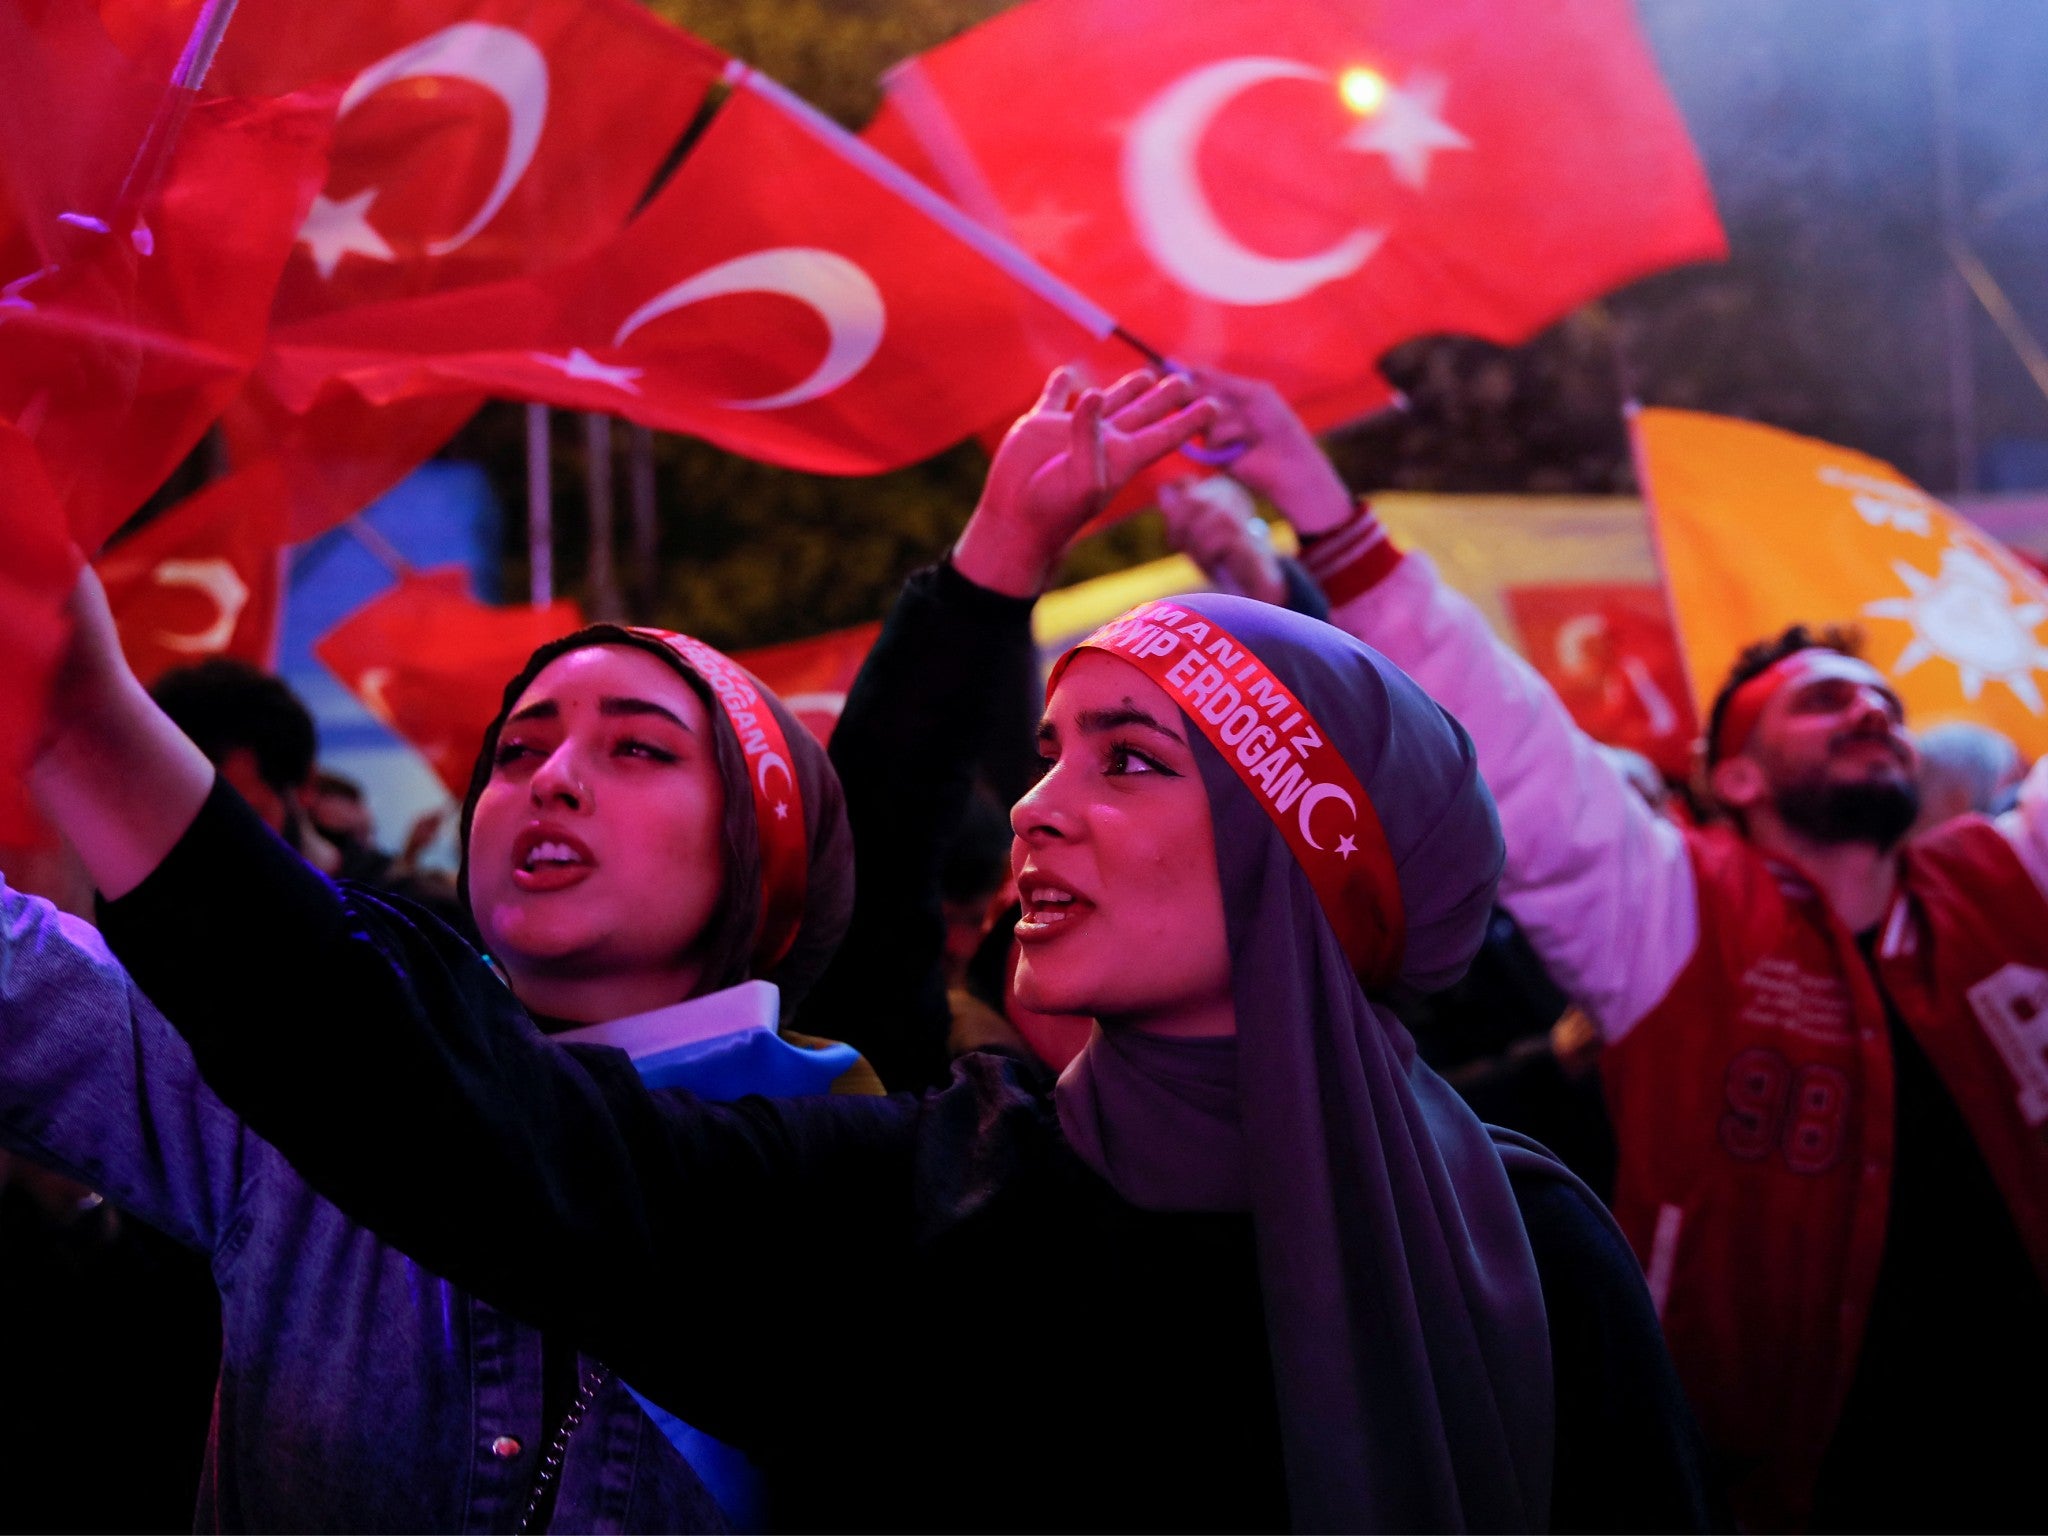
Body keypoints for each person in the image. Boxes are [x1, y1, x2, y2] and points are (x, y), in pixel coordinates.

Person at [24, 367, 1713, 1532]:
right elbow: (433, 1108)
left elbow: (881, 814)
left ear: (1311, 856)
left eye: (1128, 757)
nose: (1037, 811)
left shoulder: (1537, 1248)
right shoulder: (927, 1200)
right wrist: (87, 724)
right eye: (1045, 750)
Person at [1194, 369, 2048, 1532]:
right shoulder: (1672, 910)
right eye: (1819, 702)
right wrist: (1317, 504)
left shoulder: (2012, 881)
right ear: (1733, 780)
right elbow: (1511, 740)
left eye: (1879, 698)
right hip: (1788, 1496)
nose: (1870, 711)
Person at [0, 603, 868, 1527]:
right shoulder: (295, 1093)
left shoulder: (850, 1201)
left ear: (764, 850)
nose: (554, 781)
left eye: (639, 750)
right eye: (517, 754)